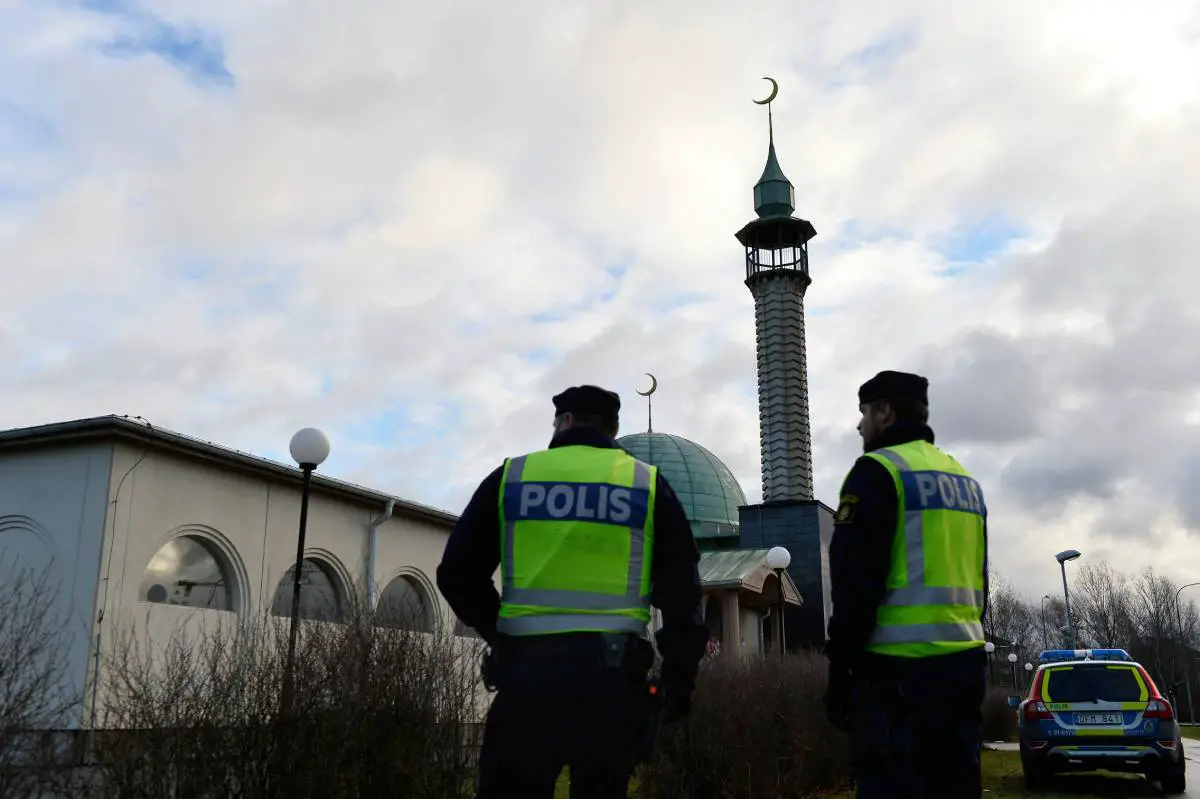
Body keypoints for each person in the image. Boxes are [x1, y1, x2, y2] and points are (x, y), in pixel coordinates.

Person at [436, 384, 708, 799]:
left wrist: (501, 633)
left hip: (527, 680)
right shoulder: (647, 486)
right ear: (614, 429)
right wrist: (678, 684)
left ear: (563, 421)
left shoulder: (513, 477)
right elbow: (683, 597)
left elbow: (457, 573)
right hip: (611, 686)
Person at [823, 370, 989, 798]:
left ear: (885, 412)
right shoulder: (963, 479)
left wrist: (840, 672)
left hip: (897, 681)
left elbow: (855, 583)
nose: (859, 425)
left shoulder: (877, 472)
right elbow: (980, 579)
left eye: (863, 413)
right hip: (964, 671)